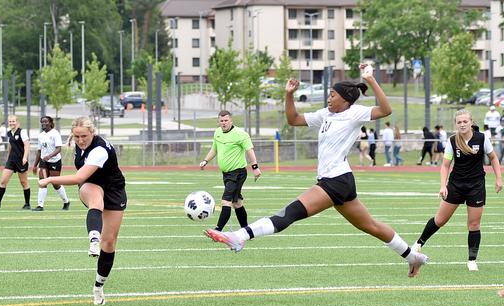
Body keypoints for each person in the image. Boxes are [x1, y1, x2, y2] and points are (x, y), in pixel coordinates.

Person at [205, 64, 428, 278]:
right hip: (340, 180)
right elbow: (293, 119)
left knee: (289, 213)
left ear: (345, 99)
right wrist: (289, 94)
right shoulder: (325, 114)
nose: (329, 98)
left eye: (332, 95)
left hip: (335, 181)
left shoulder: (355, 113)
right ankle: (412, 256)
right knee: (371, 226)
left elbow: (386, 110)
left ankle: (239, 236)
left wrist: (370, 79)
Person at [38, 116, 127, 305]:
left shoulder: (100, 150)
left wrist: (49, 180)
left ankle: (98, 287)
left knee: (109, 242)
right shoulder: (79, 144)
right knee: (96, 200)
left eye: (84, 136)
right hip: (92, 184)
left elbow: (78, 177)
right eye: (76, 136)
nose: (80, 140)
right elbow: (84, 181)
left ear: (92, 133)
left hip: (114, 189)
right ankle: (93, 237)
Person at [412, 109, 502, 272]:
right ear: (456, 124)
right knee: (440, 220)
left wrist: (498, 178)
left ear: (471, 122)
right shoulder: (453, 141)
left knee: (474, 224)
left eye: (465, 121)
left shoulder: (482, 138)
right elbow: (445, 165)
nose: (462, 124)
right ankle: (418, 244)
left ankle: (472, 260)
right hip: (456, 185)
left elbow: (494, 158)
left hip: (476, 186)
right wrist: (443, 185)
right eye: (459, 122)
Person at [200, 110, 262, 232]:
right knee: (237, 203)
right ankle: (247, 231)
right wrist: (205, 160)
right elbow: (214, 149)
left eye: (226, 120)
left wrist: (255, 168)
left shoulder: (240, 134)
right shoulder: (217, 132)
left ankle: (218, 230)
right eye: (221, 121)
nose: (224, 123)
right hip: (226, 174)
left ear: (231, 120)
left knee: (226, 201)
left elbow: (250, 151)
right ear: (219, 121)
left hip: (238, 173)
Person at [0, 115, 31, 209]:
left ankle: (27, 204)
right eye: (10, 121)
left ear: (17, 122)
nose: (12, 123)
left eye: (13, 121)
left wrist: (25, 158)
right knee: (3, 181)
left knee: (24, 182)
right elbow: (11, 145)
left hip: (21, 161)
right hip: (11, 161)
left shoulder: (22, 132)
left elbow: (27, 145)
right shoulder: (9, 133)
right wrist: (8, 157)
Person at [31, 116, 70, 211]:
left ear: (50, 123)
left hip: (55, 161)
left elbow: (58, 149)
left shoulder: (55, 133)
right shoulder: (41, 135)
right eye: (42, 122)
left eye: (45, 122)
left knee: (55, 184)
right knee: (42, 181)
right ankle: (40, 206)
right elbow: (39, 151)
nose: (43, 123)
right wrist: (35, 165)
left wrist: (49, 156)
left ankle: (66, 201)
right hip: (44, 162)